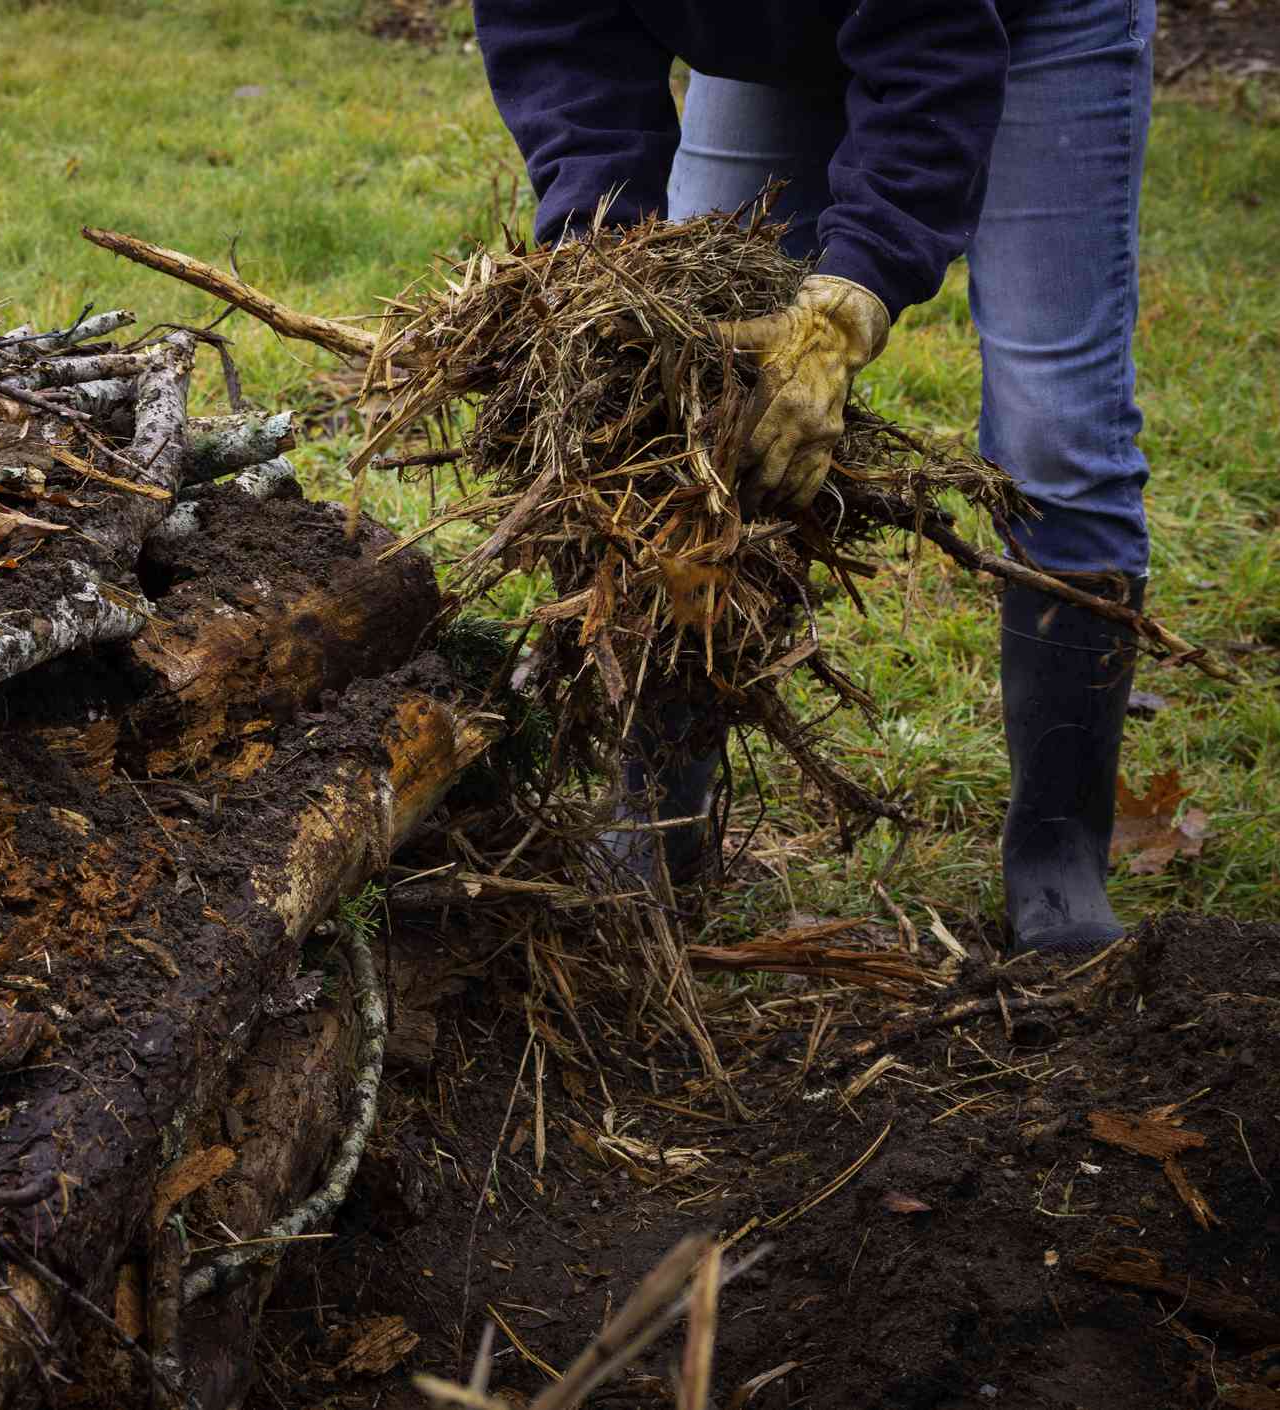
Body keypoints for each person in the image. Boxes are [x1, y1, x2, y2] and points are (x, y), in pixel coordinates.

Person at [472, 0, 1156, 955]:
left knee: (1054, 434)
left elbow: (934, 47)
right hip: (773, 34)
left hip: (1027, 20)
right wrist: (605, 242)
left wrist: (851, 293)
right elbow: (553, 30)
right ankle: (655, 827)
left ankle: (1057, 856)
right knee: (685, 392)